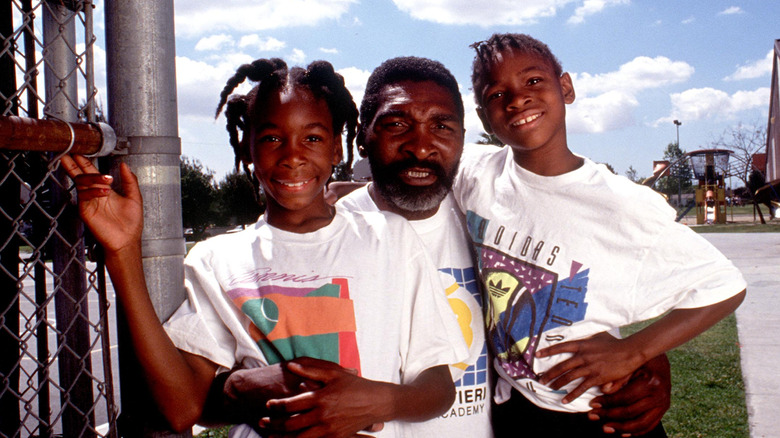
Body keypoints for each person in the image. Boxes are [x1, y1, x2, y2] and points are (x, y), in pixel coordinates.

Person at [215, 56, 675, 437]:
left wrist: (649, 357)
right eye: (396, 125)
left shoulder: (490, 213)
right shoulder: (333, 234)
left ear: (461, 138)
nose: (421, 147)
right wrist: (240, 386)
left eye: (442, 127)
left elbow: (590, 281)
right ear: (359, 138)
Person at [61, 58, 467, 438]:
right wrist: (123, 253)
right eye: (272, 137)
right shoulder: (217, 260)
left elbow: (438, 386)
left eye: (312, 137)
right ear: (248, 150)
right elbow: (182, 408)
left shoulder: (390, 237)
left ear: (337, 149)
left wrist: (378, 399)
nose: (293, 156)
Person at [456, 33, 746, 437]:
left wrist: (634, 351)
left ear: (566, 87)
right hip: (516, 405)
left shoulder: (621, 204)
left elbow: (724, 284)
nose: (517, 99)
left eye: (533, 81)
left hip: (593, 413)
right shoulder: (476, 173)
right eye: (496, 94)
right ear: (484, 117)